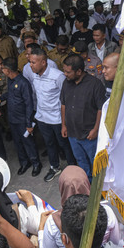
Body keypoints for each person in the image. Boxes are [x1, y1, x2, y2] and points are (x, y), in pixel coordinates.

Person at [38, 165, 123, 248]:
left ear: (65, 239)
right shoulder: (106, 212)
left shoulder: (52, 223)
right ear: (87, 184)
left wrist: (40, 230)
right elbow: (117, 244)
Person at [27, 48, 75, 182]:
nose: (30, 65)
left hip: (57, 119)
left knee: (64, 145)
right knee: (49, 144)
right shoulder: (35, 75)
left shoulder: (58, 76)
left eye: (33, 62)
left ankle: (73, 169)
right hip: (42, 118)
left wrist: (65, 123)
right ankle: (55, 167)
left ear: (43, 62)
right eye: (30, 62)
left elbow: (67, 98)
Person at [61, 53, 105, 179]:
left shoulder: (95, 85)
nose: (65, 74)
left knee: (96, 163)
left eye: (68, 72)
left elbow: (100, 109)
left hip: (89, 135)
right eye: (64, 71)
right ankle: (88, 186)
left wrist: (95, 130)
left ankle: (99, 190)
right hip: (72, 134)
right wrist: (64, 125)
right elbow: (63, 104)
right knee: (81, 162)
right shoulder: (66, 83)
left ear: (79, 71)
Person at [0, 58, 41, 176]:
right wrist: (1, 98)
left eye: (3, 68)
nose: (2, 70)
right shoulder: (10, 80)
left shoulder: (23, 83)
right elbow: (10, 94)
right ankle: (24, 162)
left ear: (8, 70)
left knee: (28, 142)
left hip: (22, 120)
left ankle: (36, 163)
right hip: (13, 118)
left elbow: (29, 104)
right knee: (18, 143)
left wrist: (29, 124)